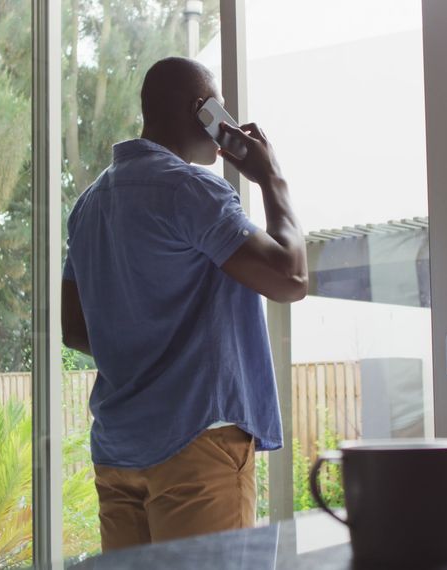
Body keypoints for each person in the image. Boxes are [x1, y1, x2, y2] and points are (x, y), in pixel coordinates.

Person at [60, 56, 307, 551]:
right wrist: (271, 178)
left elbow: (75, 329)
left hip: (118, 451)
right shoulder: (191, 190)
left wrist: (148, 347)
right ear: (201, 108)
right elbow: (290, 277)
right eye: (220, 107)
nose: (227, 122)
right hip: (198, 446)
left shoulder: (90, 205)